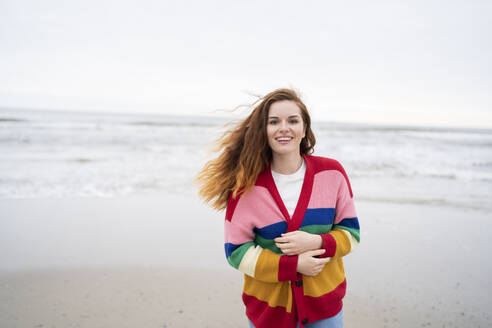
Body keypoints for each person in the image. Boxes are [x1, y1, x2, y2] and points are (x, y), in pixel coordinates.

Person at [195, 88, 360, 328]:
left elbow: (352, 234)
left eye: (293, 120)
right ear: (264, 130)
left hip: (325, 308)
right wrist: (294, 266)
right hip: (269, 312)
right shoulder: (246, 187)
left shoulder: (332, 174)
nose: (284, 127)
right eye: (274, 122)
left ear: (304, 128)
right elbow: (236, 251)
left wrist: (316, 242)